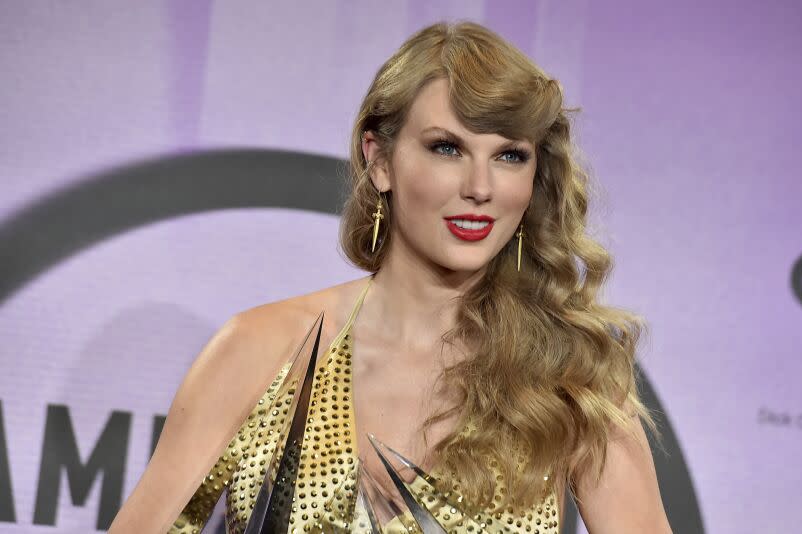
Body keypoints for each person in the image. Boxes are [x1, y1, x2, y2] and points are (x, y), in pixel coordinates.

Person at [109, 21, 672, 534]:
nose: (480, 186)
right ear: (378, 159)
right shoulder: (258, 351)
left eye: (509, 156)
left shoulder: (572, 377)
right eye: (447, 147)